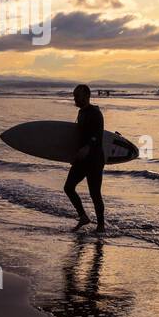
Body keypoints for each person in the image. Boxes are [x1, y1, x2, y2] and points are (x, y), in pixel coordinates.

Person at [65, 83, 106, 233]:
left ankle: (101, 225)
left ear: (87, 96)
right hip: (82, 159)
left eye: (77, 95)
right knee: (68, 187)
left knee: (95, 193)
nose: (74, 98)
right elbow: (79, 137)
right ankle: (83, 216)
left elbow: (97, 135)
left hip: (95, 159)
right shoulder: (81, 113)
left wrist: (88, 147)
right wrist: (73, 155)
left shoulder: (95, 113)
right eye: (74, 95)